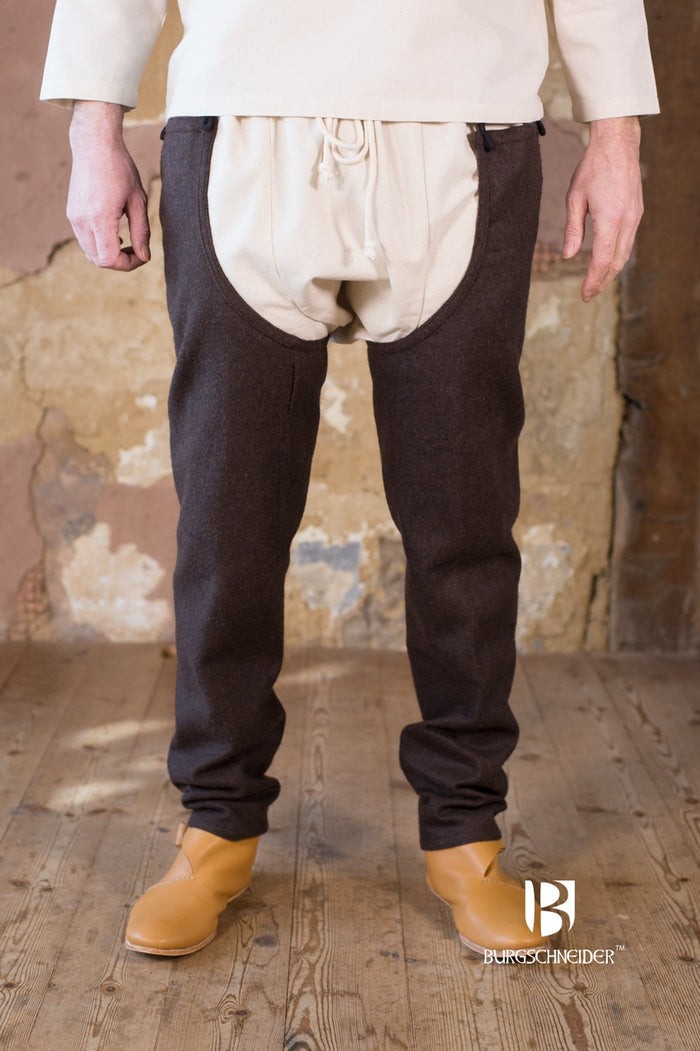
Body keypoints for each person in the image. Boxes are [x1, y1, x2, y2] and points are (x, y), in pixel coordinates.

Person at [41, 0, 658, 958]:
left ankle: (467, 837)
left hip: (466, 121)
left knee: (464, 520)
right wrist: (94, 130)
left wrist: (616, 136)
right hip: (241, 119)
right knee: (228, 518)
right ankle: (215, 828)